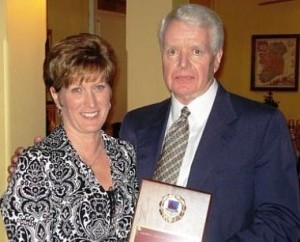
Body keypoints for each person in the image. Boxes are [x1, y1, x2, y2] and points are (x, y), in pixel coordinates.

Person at [7, 4, 300, 242]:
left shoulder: (260, 125)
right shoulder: (137, 124)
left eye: (196, 51)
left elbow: (282, 220)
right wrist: (40, 160)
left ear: (217, 57)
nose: (182, 64)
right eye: (172, 51)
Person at [1, 33, 138, 241]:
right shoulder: (37, 165)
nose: (91, 103)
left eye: (99, 87)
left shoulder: (124, 155)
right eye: (77, 90)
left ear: (110, 92)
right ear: (56, 96)